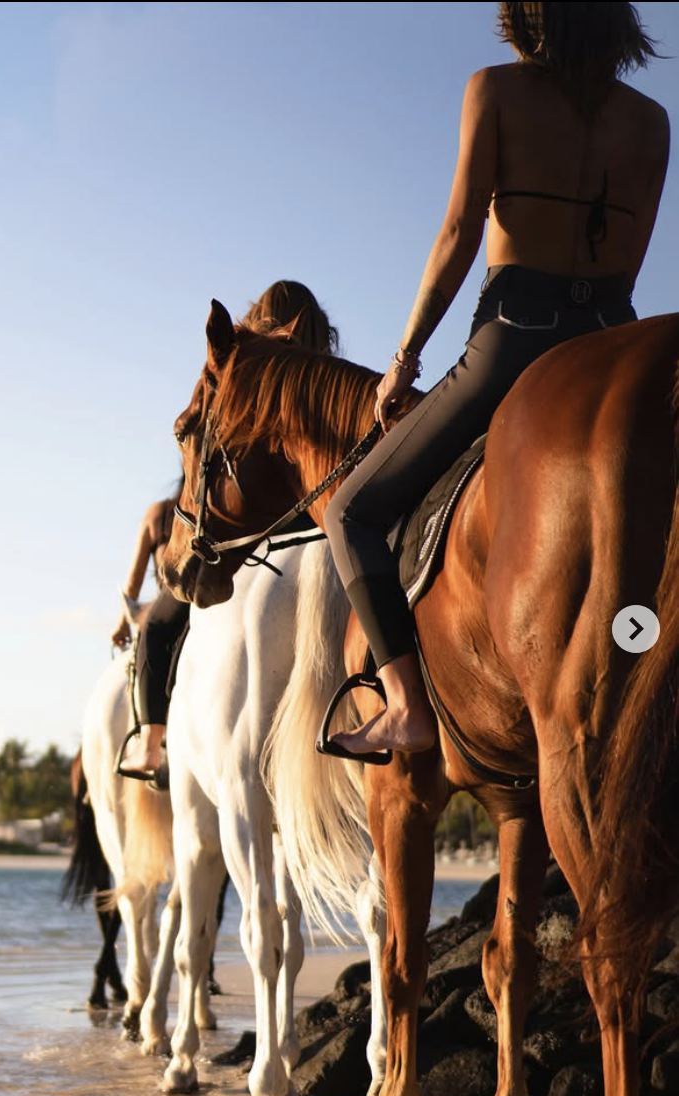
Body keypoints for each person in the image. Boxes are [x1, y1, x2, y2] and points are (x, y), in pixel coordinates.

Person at [321, 0, 669, 759]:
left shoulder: (495, 90)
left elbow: (458, 233)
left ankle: (406, 708)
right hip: (613, 337)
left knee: (350, 512)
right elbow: (631, 264)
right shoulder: (651, 121)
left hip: (516, 341)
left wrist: (405, 359)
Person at [117, 279, 341, 778]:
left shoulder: (246, 388)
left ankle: (150, 745)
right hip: (324, 528)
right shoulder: (329, 389)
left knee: (159, 624)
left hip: (255, 538)